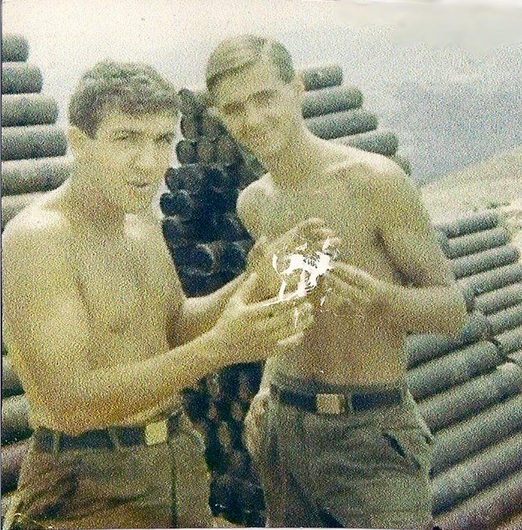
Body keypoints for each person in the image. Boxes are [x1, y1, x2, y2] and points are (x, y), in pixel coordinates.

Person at [1, 60, 326, 529]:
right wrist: (220, 348)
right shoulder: (40, 238)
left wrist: (257, 278)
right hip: (89, 484)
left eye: (161, 141)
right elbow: (67, 402)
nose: (148, 162)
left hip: (176, 463)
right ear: (79, 144)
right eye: (126, 139)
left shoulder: (141, 223)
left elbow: (174, 326)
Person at [206, 35, 468, 529]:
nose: (253, 119)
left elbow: (452, 310)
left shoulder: (372, 182)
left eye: (265, 98)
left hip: (369, 430)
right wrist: (265, 385)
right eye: (235, 109)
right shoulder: (254, 203)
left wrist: (385, 301)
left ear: (297, 90)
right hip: (283, 423)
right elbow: (287, 305)